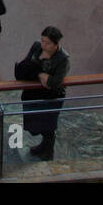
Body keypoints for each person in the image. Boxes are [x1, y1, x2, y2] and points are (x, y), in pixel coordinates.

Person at [15, 26, 70, 160]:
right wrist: (40, 72)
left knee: (48, 125)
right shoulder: (37, 48)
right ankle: (44, 146)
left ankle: (48, 150)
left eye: (47, 43)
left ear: (56, 44)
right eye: (42, 41)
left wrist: (37, 73)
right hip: (34, 94)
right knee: (35, 123)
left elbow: (53, 82)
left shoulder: (63, 59)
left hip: (51, 97)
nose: (44, 45)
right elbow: (23, 70)